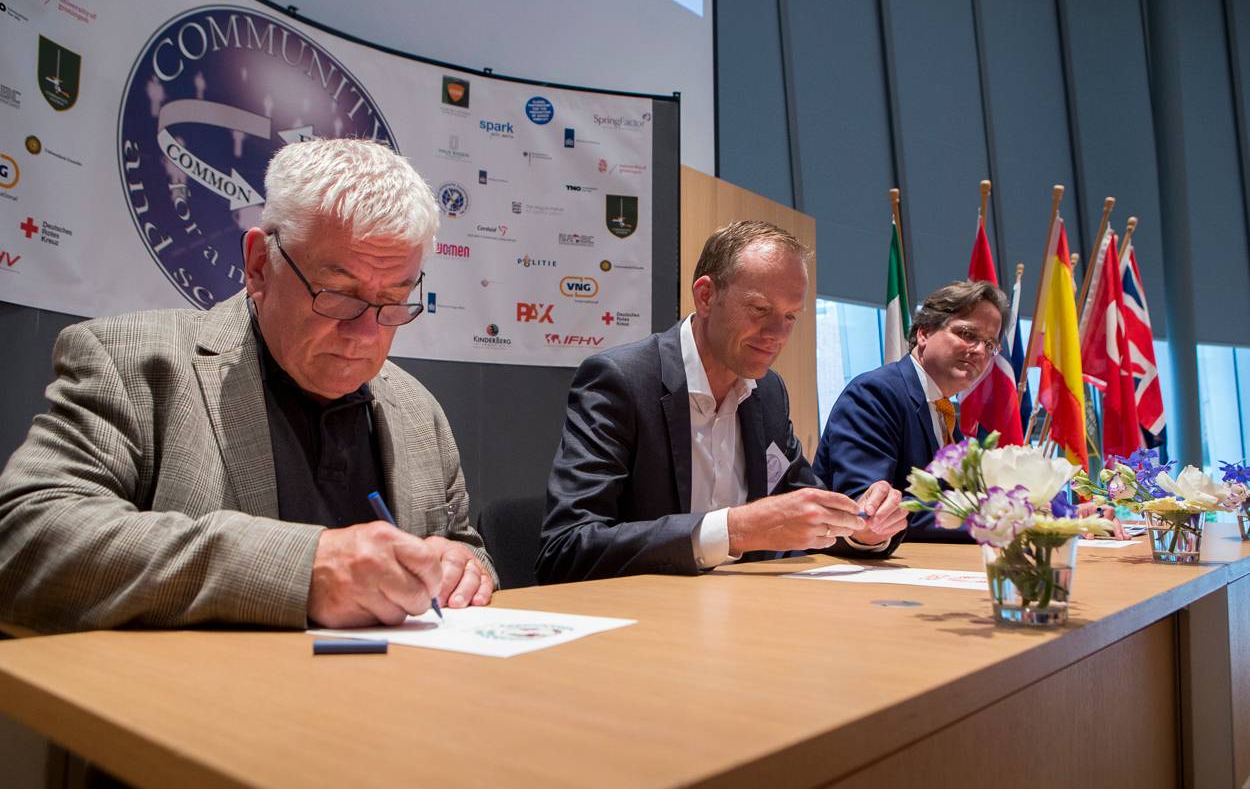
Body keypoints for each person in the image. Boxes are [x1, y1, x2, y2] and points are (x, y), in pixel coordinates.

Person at [0, 138, 495, 633]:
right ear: (259, 265)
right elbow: (26, 541)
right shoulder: (134, 364)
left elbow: (466, 549)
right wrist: (302, 570)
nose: (366, 334)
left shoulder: (418, 410)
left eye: (392, 300)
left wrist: (461, 569)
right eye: (339, 294)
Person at [536, 221, 906, 584]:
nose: (778, 334)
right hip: (642, 613)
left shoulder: (768, 392)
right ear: (706, 296)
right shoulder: (622, 380)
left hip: (747, 608)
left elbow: (804, 510)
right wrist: (735, 530)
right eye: (759, 309)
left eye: (791, 316)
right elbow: (566, 549)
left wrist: (862, 526)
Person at [812, 280, 1008, 544]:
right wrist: (1000, 522)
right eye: (967, 334)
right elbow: (867, 509)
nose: (980, 351)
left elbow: (956, 499)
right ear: (924, 333)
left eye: (990, 344)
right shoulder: (876, 393)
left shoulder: (943, 410)